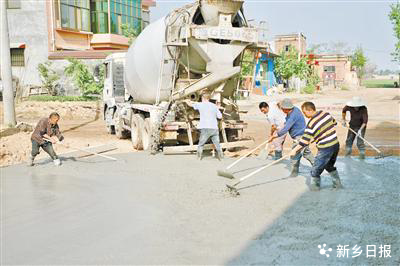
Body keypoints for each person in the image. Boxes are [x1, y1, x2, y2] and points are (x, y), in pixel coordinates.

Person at [290, 102, 342, 191]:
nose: (304, 115)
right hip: (335, 145)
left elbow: (304, 141)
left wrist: (294, 150)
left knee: (315, 171)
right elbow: (334, 123)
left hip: (325, 148)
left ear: (310, 110)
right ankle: (338, 185)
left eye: (304, 112)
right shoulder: (326, 114)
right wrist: (318, 136)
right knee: (329, 166)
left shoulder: (311, 124)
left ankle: (314, 192)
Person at [268, 98, 314, 177]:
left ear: (286, 109)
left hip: (299, 137)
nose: (282, 110)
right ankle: (318, 166)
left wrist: (274, 136)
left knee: (294, 156)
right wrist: (281, 128)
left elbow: (286, 129)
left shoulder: (293, 115)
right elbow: (287, 124)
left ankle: (294, 174)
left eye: (282, 109)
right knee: (307, 154)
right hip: (304, 135)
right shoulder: (294, 109)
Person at [186, 93, 223, 160]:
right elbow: (220, 116)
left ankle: (199, 157)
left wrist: (186, 101)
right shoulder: (214, 106)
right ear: (209, 98)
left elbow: (190, 105)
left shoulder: (200, 105)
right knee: (217, 144)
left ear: (203, 98)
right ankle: (221, 157)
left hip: (205, 128)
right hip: (214, 128)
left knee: (201, 144)